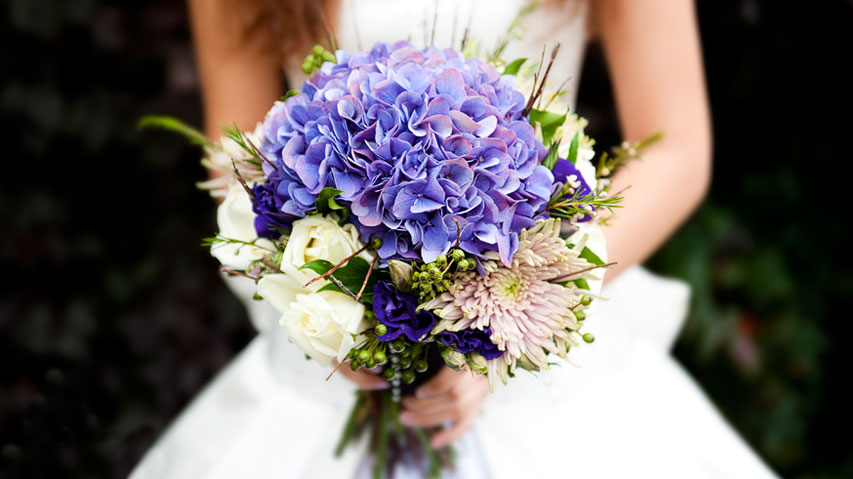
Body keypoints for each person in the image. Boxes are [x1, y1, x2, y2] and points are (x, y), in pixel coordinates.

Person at [131, 0, 778, 477]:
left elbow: (676, 149)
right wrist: (321, 314)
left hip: (544, 349)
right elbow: (236, 163)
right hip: (334, 358)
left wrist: (513, 317)